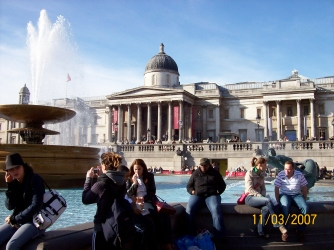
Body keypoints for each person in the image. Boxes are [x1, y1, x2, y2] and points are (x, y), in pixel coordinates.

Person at [82, 152, 133, 250]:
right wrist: (101, 177)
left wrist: (88, 179)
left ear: (104, 166)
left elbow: (86, 199)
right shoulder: (121, 183)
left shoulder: (101, 185)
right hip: (116, 225)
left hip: (101, 227)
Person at [0, 153, 45, 250]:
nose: (15, 171)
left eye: (17, 167)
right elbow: (10, 206)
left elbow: (36, 205)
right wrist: (10, 185)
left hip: (35, 222)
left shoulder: (34, 179)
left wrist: (15, 219)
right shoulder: (15, 183)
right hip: (18, 221)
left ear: (23, 167)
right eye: (11, 169)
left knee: (11, 246)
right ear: (7, 172)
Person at [126, 159, 172, 250]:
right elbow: (129, 194)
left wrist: (144, 198)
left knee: (164, 215)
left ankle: (167, 242)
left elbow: (152, 192)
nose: (137, 171)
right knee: (156, 216)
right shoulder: (130, 178)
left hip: (148, 201)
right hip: (136, 202)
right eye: (135, 169)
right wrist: (134, 184)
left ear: (143, 169)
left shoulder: (149, 176)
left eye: (139, 169)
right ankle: (162, 243)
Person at [117, 165, 158, 250]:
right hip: (126, 214)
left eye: (127, 176)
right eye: (125, 176)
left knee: (150, 223)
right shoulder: (117, 186)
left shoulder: (123, 184)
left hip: (133, 210)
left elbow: (128, 197)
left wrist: (134, 202)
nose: (127, 178)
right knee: (142, 229)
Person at [186, 158, 227, 243]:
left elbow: (222, 185)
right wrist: (192, 192)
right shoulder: (195, 173)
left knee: (216, 209)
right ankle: (190, 234)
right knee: (189, 210)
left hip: (212, 195)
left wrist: (218, 192)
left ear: (209, 165)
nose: (203, 167)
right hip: (198, 195)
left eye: (205, 165)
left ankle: (220, 236)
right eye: (201, 165)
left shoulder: (215, 173)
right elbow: (189, 186)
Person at [244, 157, 287, 238]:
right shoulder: (249, 173)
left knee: (266, 209)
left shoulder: (262, 174)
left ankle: (260, 231)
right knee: (267, 201)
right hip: (250, 198)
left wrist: (263, 195)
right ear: (260, 165)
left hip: (260, 198)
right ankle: (277, 224)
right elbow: (249, 189)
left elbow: (263, 188)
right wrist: (261, 196)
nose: (266, 166)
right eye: (265, 164)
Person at [274, 160, 308, 243]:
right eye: (285, 169)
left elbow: (304, 187)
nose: (286, 171)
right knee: (285, 206)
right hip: (284, 194)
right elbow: (276, 188)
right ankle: (284, 231)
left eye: (289, 169)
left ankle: (300, 230)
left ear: (293, 169)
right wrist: (278, 200)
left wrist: (304, 198)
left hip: (297, 195)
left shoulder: (299, 174)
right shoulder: (281, 174)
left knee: (305, 207)